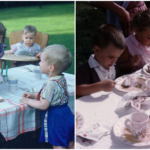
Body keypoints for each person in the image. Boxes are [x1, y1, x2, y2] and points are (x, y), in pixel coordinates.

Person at [20, 44, 74, 149]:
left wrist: (27, 101)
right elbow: (51, 96)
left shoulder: (50, 83)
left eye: (41, 61)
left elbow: (43, 105)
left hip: (56, 119)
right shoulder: (61, 78)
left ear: (51, 67)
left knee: (58, 146)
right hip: (67, 114)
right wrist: (32, 95)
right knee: (70, 144)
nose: (39, 63)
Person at [76, 24, 126, 97]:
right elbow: (77, 90)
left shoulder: (114, 66)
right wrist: (100, 86)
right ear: (97, 50)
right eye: (111, 57)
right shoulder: (86, 70)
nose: (114, 61)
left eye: (117, 57)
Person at [117, 9, 150, 74]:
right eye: (149, 37)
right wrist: (131, 64)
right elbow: (119, 67)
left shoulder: (147, 41)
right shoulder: (128, 45)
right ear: (137, 31)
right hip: (137, 80)